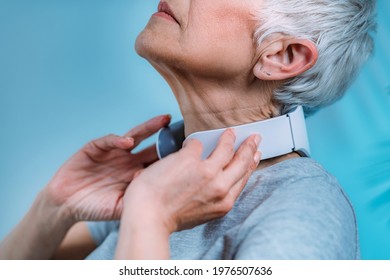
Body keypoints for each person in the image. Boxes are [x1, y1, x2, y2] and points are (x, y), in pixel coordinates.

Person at [0, 0, 376, 260]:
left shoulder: (305, 209)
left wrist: (150, 217)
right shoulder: (165, 179)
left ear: (281, 56)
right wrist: (57, 204)